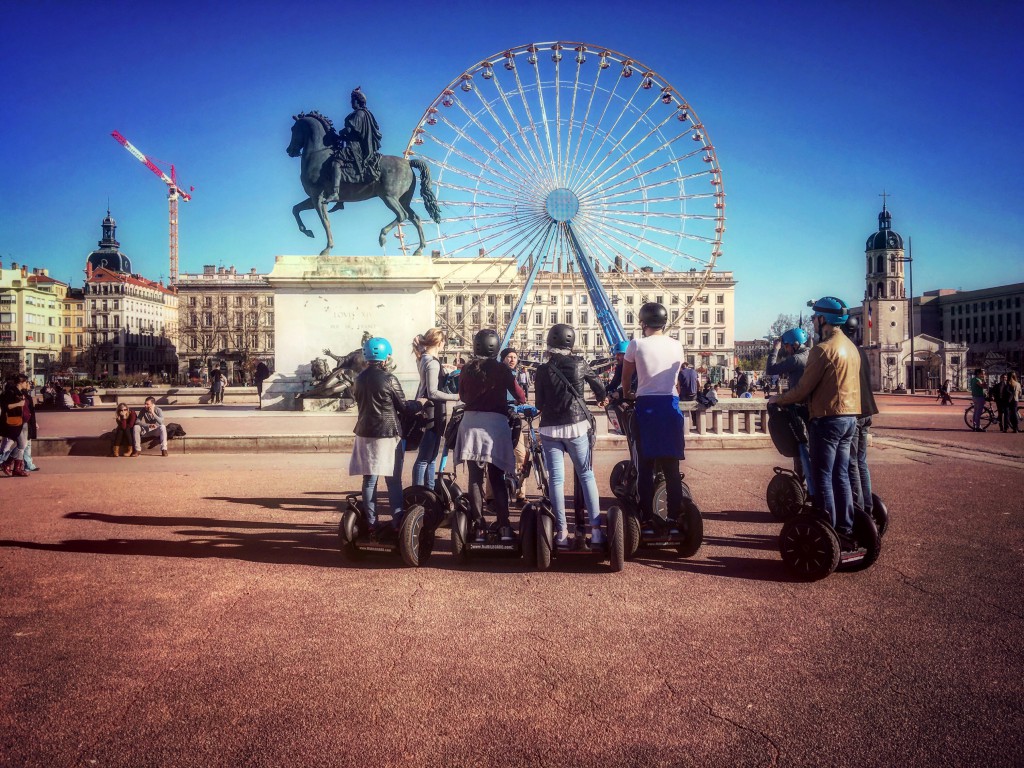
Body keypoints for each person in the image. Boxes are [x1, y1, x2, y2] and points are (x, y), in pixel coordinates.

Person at [771, 296, 861, 548]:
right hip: (849, 418)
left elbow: (803, 388)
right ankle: (845, 527)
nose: (812, 322)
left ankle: (825, 526)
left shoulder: (822, 350)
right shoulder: (850, 347)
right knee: (841, 475)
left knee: (822, 475)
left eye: (814, 317)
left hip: (827, 418)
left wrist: (780, 400)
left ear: (823, 319)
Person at [534, 324, 607, 548]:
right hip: (576, 426)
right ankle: (596, 531)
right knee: (586, 475)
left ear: (549, 342)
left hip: (550, 429)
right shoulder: (580, 363)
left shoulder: (542, 369)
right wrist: (601, 398)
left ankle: (562, 532)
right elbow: (599, 386)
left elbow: (539, 403)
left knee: (556, 480)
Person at [620, 302, 686, 534]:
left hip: (646, 406)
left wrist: (627, 394)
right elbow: (676, 379)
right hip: (670, 406)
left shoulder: (636, 344)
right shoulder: (677, 345)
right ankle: (674, 517)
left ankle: (647, 518)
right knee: (671, 468)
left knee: (645, 467)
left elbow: (626, 377)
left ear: (642, 322)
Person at [456, 329, 526, 542]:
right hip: (495, 425)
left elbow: (462, 396)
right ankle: (504, 526)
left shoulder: (467, 368)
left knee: (475, 479)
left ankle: (479, 526)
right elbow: (520, 395)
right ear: (496, 347)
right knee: (497, 477)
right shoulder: (502, 369)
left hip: (470, 424)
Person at [349, 337, 423, 535]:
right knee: (393, 480)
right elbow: (404, 407)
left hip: (364, 433)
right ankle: (398, 522)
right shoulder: (389, 378)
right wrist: (420, 404)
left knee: (369, 480)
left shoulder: (358, 379)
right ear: (387, 357)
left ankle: (372, 523)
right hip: (388, 433)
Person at [766, 327, 814, 497]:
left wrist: (775, 349)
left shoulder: (796, 359)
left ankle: (803, 486)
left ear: (794, 344)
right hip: (813, 407)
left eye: (786, 346)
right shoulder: (812, 354)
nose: (785, 349)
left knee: (800, 447)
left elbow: (771, 369)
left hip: (799, 408)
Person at [411, 328, 460, 490]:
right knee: (426, 458)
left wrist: (444, 368)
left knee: (431, 457)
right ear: (439, 342)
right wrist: (457, 397)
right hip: (432, 412)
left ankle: (428, 491)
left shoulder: (424, 359)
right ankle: (420, 492)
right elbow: (432, 392)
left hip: (432, 411)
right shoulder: (432, 362)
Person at [842, 317, 879, 518]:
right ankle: (868, 506)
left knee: (852, 462)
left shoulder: (846, 352)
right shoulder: (862, 352)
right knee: (861, 462)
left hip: (855, 411)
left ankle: (858, 508)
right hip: (867, 410)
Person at [328, 87, 383, 209]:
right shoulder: (365, 113)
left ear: (358, 101)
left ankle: (336, 193)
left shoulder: (359, 113)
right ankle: (340, 201)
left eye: (352, 100)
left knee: (336, 162)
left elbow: (351, 130)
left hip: (355, 147)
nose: (351, 103)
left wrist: (340, 132)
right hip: (355, 145)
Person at [0, 374, 32, 477]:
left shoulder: (21, 392)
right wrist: (18, 404)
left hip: (22, 421)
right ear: (21, 382)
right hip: (15, 422)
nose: (27, 384)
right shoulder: (11, 392)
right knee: (21, 445)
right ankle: (7, 463)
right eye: (26, 382)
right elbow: (5, 406)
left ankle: (17, 469)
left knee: (22, 446)